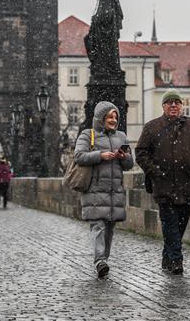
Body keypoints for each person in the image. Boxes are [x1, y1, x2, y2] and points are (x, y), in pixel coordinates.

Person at [136, 89, 190, 275]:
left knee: (180, 226)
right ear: (163, 106)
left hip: (187, 186)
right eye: (169, 102)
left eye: (176, 102)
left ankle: (167, 255)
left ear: (182, 105)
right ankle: (177, 261)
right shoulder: (152, 127)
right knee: (170, 224)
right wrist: (154, 171)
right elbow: (141, 152)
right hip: (163, 187)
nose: (173, 105)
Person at [74, 101, 134, 279]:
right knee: (98, 225)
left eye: (115, 117)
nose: (113, 120)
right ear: (101, 118)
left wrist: (124, 157)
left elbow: (130, 164)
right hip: (95, 189)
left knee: (109, 227)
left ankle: (103, 260)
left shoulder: (121, 137)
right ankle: (100, 260)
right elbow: (79, 156)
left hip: (114, 190)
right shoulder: (88, 134)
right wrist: (100, 155)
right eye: (110, 117)